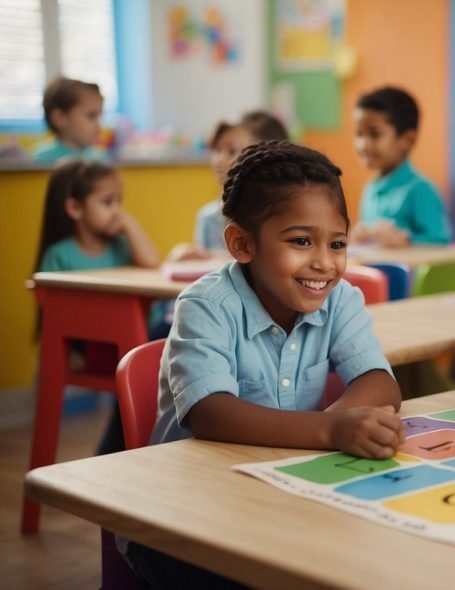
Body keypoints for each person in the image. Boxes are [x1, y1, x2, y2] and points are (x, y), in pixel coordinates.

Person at [130, 140, 405, 587]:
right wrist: (330, 431)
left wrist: (343, 421)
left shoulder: (340, 299)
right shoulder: (206, 306)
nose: (324, 262)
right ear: (242, 243)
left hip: (274, 497)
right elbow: (210, 411)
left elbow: (379, 380)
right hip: (179, 522)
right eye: (301, 241)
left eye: (337, 243)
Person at [35, 159, 160, 453]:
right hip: (98, 350)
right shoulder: (60, 255)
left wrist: (129, 225)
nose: (117, 210)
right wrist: (75, 352)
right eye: (107, 202)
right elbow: (51, 309)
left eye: (119, 201)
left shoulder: (117, 246)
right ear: (75, 209)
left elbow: (152, 261)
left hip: (136, 340)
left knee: (168, 342)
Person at [169, 110, 289, 261]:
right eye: (217, 150)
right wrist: (187, 256)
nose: (219, 159)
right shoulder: (209, 217)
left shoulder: (284, 215)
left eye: (231, 151)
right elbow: (205, 277)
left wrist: (213, 258)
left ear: (267, 157)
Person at [350, 86, 451, 247]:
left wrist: (406, 242)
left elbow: (441, 244)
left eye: (375, 134)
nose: (363, 145)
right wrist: (358, 240)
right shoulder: (370, 189)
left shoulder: (421, 190)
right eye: (359, 134)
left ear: (407, 140)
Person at [33, 76, 108, 163]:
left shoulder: (100, 158)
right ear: (59, 117)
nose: (98, 126)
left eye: (99, 117)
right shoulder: (41, 160)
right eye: (91, 116)